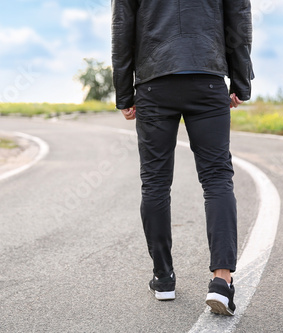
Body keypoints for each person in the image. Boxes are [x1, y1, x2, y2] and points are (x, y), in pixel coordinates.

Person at [111, 0, 254, 316]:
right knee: (217, 177)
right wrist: (240, 82)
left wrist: (124, 93)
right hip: (207, 76)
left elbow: (122, 30)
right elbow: (239, 20)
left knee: (155, 183)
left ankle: (163, 278)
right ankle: (221, 282)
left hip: (153, 82)